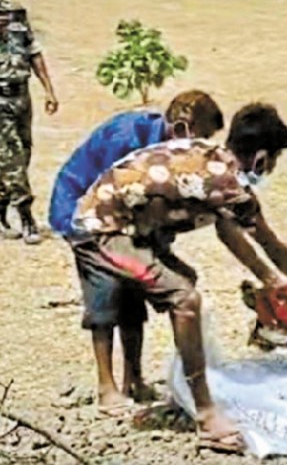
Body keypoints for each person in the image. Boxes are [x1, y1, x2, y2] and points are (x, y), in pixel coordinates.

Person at [70, 102, 287, 452]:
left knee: (183, 282)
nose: (272, 168)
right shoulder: (226, 185)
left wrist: (269, 279)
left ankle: (137, 382)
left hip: (127, 225)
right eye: (274, 159)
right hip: (99, 229)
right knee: (185, 300)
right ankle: (206, 414)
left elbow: (229, 231)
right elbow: (270, 243)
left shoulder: (212, 158)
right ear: (261, 158)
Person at [49, 90, 223, 415]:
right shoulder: (127, 136)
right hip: (85, 215)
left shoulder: (165, 148)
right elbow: (107, 193)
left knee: (134, 294)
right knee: (104, 293)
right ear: (183, 127)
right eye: (199, 138)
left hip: (127, 223)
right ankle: (106, 387)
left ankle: (133, 379)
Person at [0, 0, 58, 244]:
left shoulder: (17, 18)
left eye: (5, 16)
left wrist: (49, 90)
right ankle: (27, 218)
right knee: (12, 159)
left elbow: (34, 54)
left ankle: (1, 210)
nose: (4, 19)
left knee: (22, 154)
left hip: (22, 97)